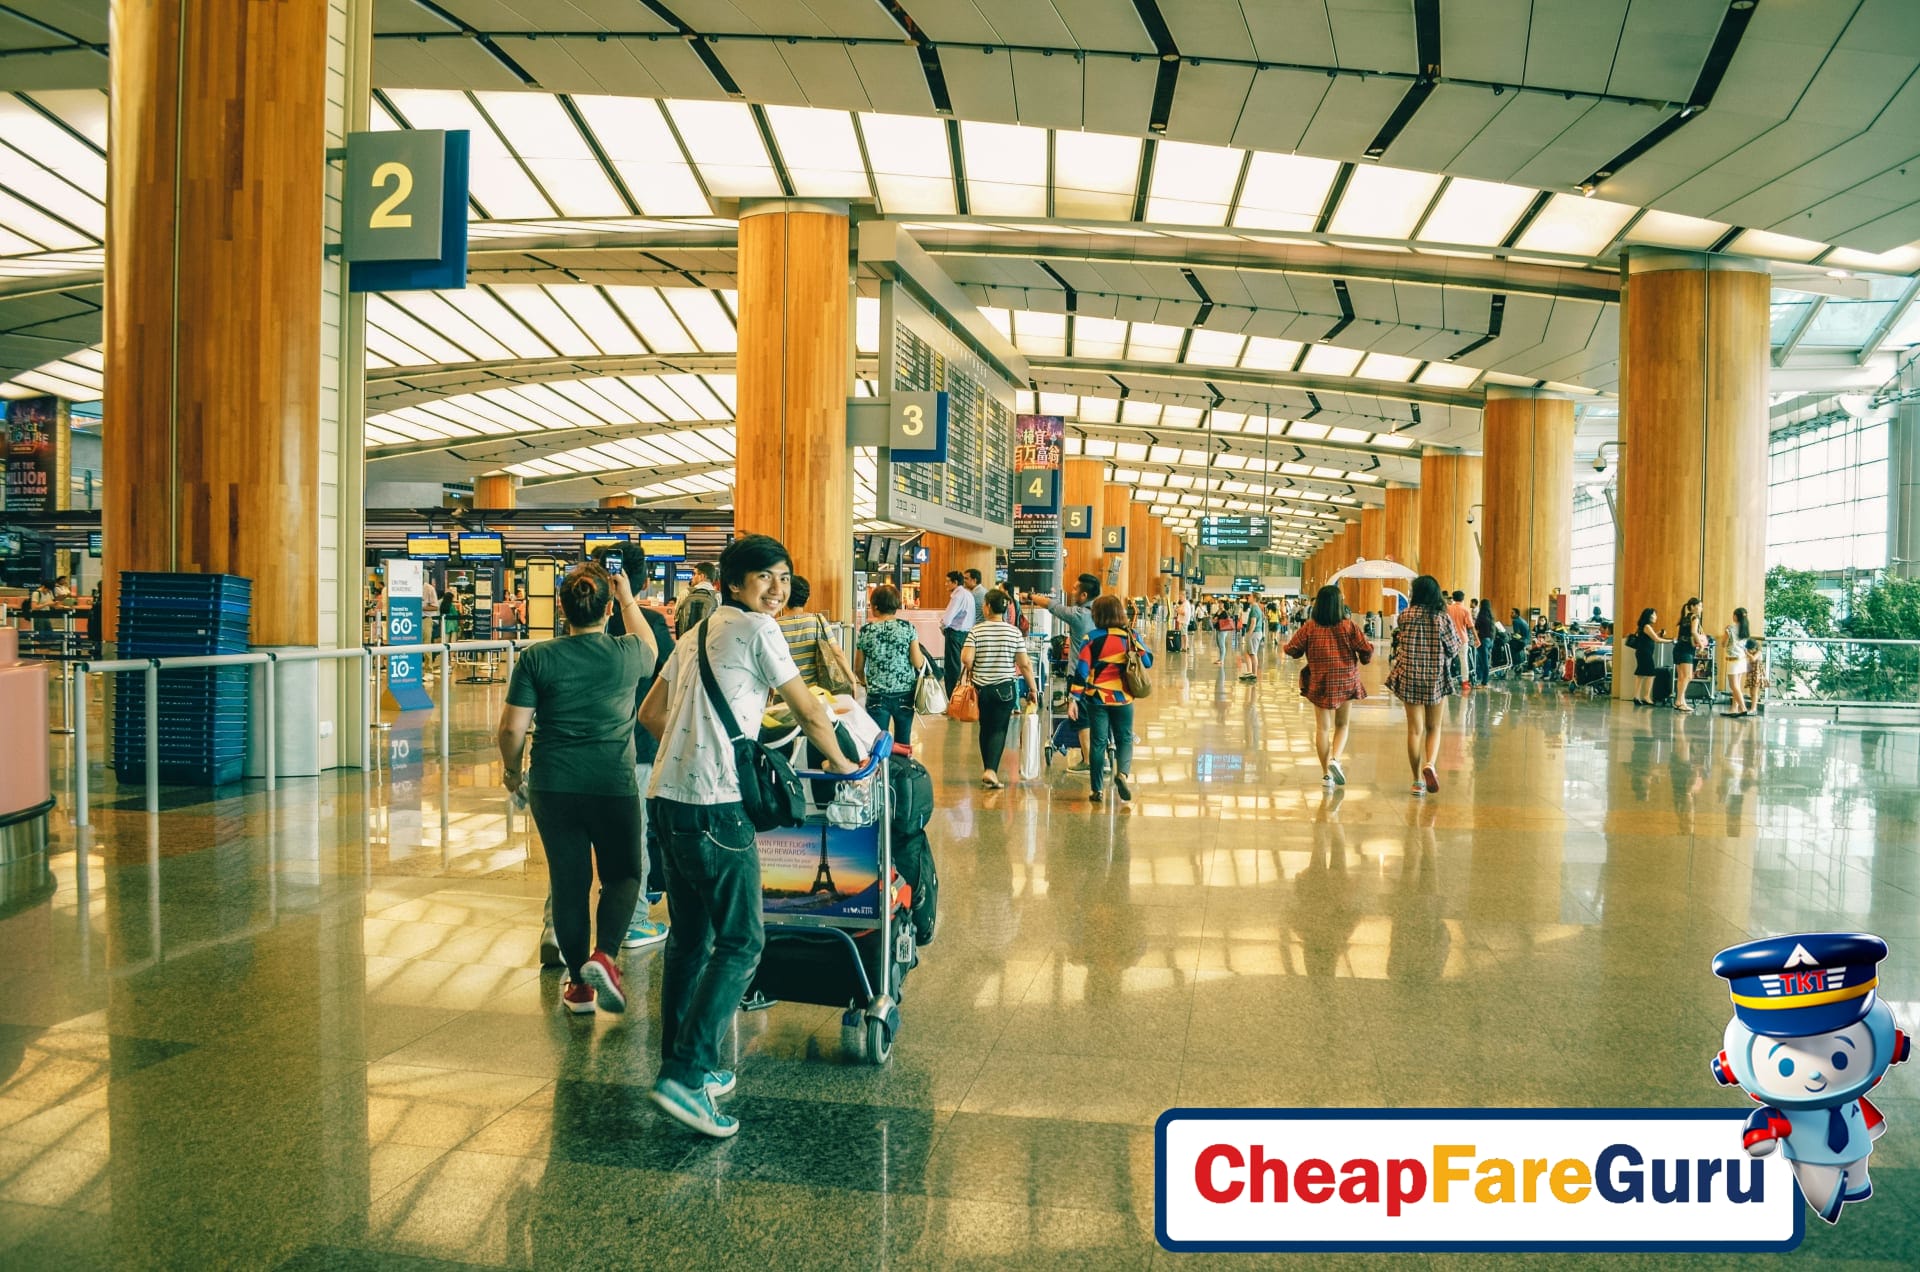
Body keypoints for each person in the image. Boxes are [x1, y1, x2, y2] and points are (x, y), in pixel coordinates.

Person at [638, 534, 854, 1139]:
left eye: (784, 577)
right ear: (735, 583)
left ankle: (681, 1067)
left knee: (689, 939)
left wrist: (693, 748)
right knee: (741, 942)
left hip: (667, 798)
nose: (777, 589)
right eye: (764, 577)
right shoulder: (760, 631)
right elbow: (810, 710)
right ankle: (687, 1073)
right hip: (716, 805)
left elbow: (651, 717)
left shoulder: (690, 635)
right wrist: (840, 763)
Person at [497, 562, 660, 1016]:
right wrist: (627, 597)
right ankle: (605, 956)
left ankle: (578, 985)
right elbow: (649, 644)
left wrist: (512, 774)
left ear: (561, 610)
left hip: (554, 784)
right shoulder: (628, 652)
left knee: (569, 883)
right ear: (606, 609)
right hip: (613, 782)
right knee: (625, 874)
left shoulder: (537, 657)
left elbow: (512, 729)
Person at [1287, 584, 1373, 788]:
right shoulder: (1348, 626)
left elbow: (1292, 649)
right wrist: (1364, 657)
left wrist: (1303, 652)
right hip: (1346, 679)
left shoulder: (1310, 626)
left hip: (1321, 680)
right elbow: (1366, 650)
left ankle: (1326, 774)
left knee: (1322, 728)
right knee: (1342, 724)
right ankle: (1335, 758)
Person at [1071, 594, 1151, 804]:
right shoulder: (1131, 636)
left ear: (1097, 615)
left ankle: (1097, 790)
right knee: (1124, 738)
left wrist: (1073, 698)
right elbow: (1148, 661)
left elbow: (1081, 670)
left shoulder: (1091, 638)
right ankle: (1122, 775)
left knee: (1097, 742)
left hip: (1096, 698)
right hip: (1123, 698)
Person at [1386, 575, 1461, 796]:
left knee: (1414, 730)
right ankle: (1430, 764)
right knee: (1434, 727)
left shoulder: (1405, 616)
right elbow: (1453, 648)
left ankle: (1417, 781)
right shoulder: (1441, 618)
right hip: (1435, 678)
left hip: (1410, 677)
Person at [960, 589, 1037, 789]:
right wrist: (1033, 689)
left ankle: (989, 768)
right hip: (1005, 688)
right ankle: (991, 770)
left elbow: (966, 658)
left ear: (987, 607)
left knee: (985, 727)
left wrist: (972, 667)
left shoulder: (976, 631)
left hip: (981, 688)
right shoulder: (1014, 632)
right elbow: (1025, 664)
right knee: (999, 729)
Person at [1039, 574, 1100, 771]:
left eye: (1074, 589)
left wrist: (1029, 597)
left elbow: (1052, 605)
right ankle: (1101, 756)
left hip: (1079, 674)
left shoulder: (1078, 615)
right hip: (1103, 674)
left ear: (1083, 595)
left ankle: (1089, 761)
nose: (1071, 591)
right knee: (1099, 715)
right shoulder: (1104, 612)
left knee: (1082, 717)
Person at [854, 583, 925, 743]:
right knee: (903, 742)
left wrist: (866, 684)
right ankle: (904, 767)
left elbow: (858, 668)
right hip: (905, 694)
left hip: (877, 695)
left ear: (875, 606)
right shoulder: (908, 628)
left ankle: (883, 768)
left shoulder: (866, 631)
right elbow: (917, 662)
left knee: (878, 743)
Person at [776, 575, 840, 691]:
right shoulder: (817, 620)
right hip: (812, 691)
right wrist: (852, 680)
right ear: (807, 598)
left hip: (783, 693)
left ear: (785, 596)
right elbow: (837, 653)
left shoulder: (774, 626)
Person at [939, 570, 976, 695]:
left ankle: (952, 698)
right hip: (966, 633)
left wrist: (943, 626)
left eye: (948, 581)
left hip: (954, 633)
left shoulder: (957, 595)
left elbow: (948, 618)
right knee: (963, 666)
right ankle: (961, 696)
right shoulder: (968, 594)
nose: (946, 584)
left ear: (955, 582)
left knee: (952, 668)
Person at [1673, 596, 1703, 714]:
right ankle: (1680, 701)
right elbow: (1693, 632)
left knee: (1681, 677)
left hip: (1678, 648)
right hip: (1686, 649)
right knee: (1688, 676)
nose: (1701, 608)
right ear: (1693, 607)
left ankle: (1680, 701)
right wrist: (1701, 644)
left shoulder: (1684, 618)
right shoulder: (1695, 617)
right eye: (1700, 606)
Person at [1722, 606, 1753, 717]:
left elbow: (1723, 644)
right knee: (1737, 685)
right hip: (1742, 660)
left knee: (1733, 685)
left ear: (1735, 616)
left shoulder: (1730, 629)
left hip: (1733, 660)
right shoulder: (1745, 629)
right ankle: (1734, 708)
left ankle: (1743, 708)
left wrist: (1725, 633)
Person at [674, 561, 719, 637]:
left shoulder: (686, 593)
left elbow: (676, 617)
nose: (692, 577)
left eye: (694, 574)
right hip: (709, 642)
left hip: (687, 640)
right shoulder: (718, 596)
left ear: (702, 576)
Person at [1630, 607, 1662, 706]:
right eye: (1653, 615)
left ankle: (1636, 696)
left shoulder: (1644, 626)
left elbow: (1650, 638)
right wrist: (1671, 641)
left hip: (1642, 652)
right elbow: (1656, 639)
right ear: (1649, 616)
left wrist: (1658, 634)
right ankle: (1646, 696)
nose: (1655, 617)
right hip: (1645, 653)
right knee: (1651, 673)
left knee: (1641, 674)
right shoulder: (1647, 627)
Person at [1445, 590, 1472, 688]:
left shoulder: (1448, 608)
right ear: (1463, 598)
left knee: (1448, 660)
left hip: (1450, 638)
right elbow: (1470, 625)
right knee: (1464, 660)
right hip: (1463, 639)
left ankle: (1446, 681)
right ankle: (1465, 682)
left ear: (1453, 598)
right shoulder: (1465, 610)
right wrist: (1477, 638)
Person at [1472, 597, 1495, 685]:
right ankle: (1482, 679)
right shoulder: (1491, 616)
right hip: (1490, 641)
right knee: (1486, 661)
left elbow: (1476, 627)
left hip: (1483, 640)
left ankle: (1484, 682)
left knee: (1483, 662)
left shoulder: (1481, 616)